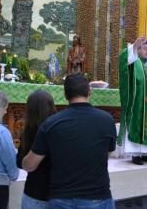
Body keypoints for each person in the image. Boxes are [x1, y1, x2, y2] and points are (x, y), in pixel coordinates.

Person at [22, 74, 116, 209]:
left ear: (65, 95)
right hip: (98, 197)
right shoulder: (107, 120)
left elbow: (30, 165)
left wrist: (23, 160)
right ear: (89, 92)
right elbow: (107, 154)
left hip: (61, 198)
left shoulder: (51, 123)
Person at [117, 36, 147, 165]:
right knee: (137, 123)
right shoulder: (134, 60)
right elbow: (124, 61)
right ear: (139, 49)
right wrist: (134, 46)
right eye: (145, 49)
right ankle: (136, 155)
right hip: (137, 101)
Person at [17, 90, 56, 209]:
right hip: (57, 192)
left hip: (34, 191)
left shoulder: (29, 132)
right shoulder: (59, 129)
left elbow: (19, 162)